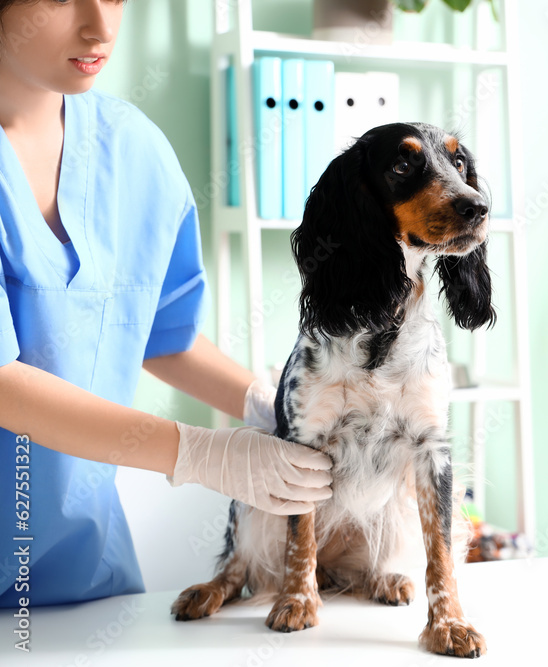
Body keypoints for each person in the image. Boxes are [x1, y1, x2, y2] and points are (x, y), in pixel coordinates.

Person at [0, 0, 333, 607]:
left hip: (85, 579)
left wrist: (266, 402)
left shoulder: (132, 150)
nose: (100, 26)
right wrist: (197, 453)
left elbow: (162, 333)